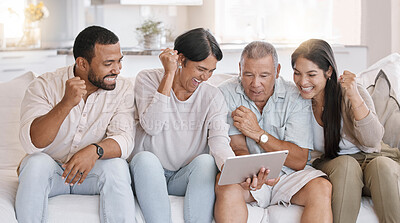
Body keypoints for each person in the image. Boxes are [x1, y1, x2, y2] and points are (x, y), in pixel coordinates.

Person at [16, 25, 136, 223]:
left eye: (119, 61)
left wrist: (93, 151)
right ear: (82, 63)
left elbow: (125, 139)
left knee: (117, 167)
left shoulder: (122, 89)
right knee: (35, 163)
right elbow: (33, 143)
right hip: (52, 172)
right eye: (108, 63)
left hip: (91, 173)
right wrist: (66, 103)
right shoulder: (44, 85)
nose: (117, 69)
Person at [215, 41, 333, 223]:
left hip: (289, 175)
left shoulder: (295, 96)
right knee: (225, 185)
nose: (256, 84)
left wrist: (258, 133)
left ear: (277, 71)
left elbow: (299, 159)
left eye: (264, 75)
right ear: (240, 69)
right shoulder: (225, 93)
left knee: (321, 187)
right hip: (249, 176)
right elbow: (237, 147)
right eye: (248, 74)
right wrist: (250, 174)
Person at [129, 28, 235, 223]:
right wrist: (169, 74)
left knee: (206, 163)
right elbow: (152, 126)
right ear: (180, 59)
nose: (205, 78)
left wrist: (234, 169)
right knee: (145, 159)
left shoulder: (212, 96)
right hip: (148, 174)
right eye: (201, 69)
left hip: (182, 177)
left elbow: (219, 142)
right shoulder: (147, 79)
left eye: (211, 71)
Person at [291, 39, 400, 223]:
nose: (303, 82)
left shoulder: (350, 92)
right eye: (297, 73)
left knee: (382, 166)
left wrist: (354, 96)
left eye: (311, 74)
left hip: (373, 158)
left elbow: (373, 141)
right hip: (334, 165)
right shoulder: (295, 100)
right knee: (346, 165)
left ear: (329, 72)